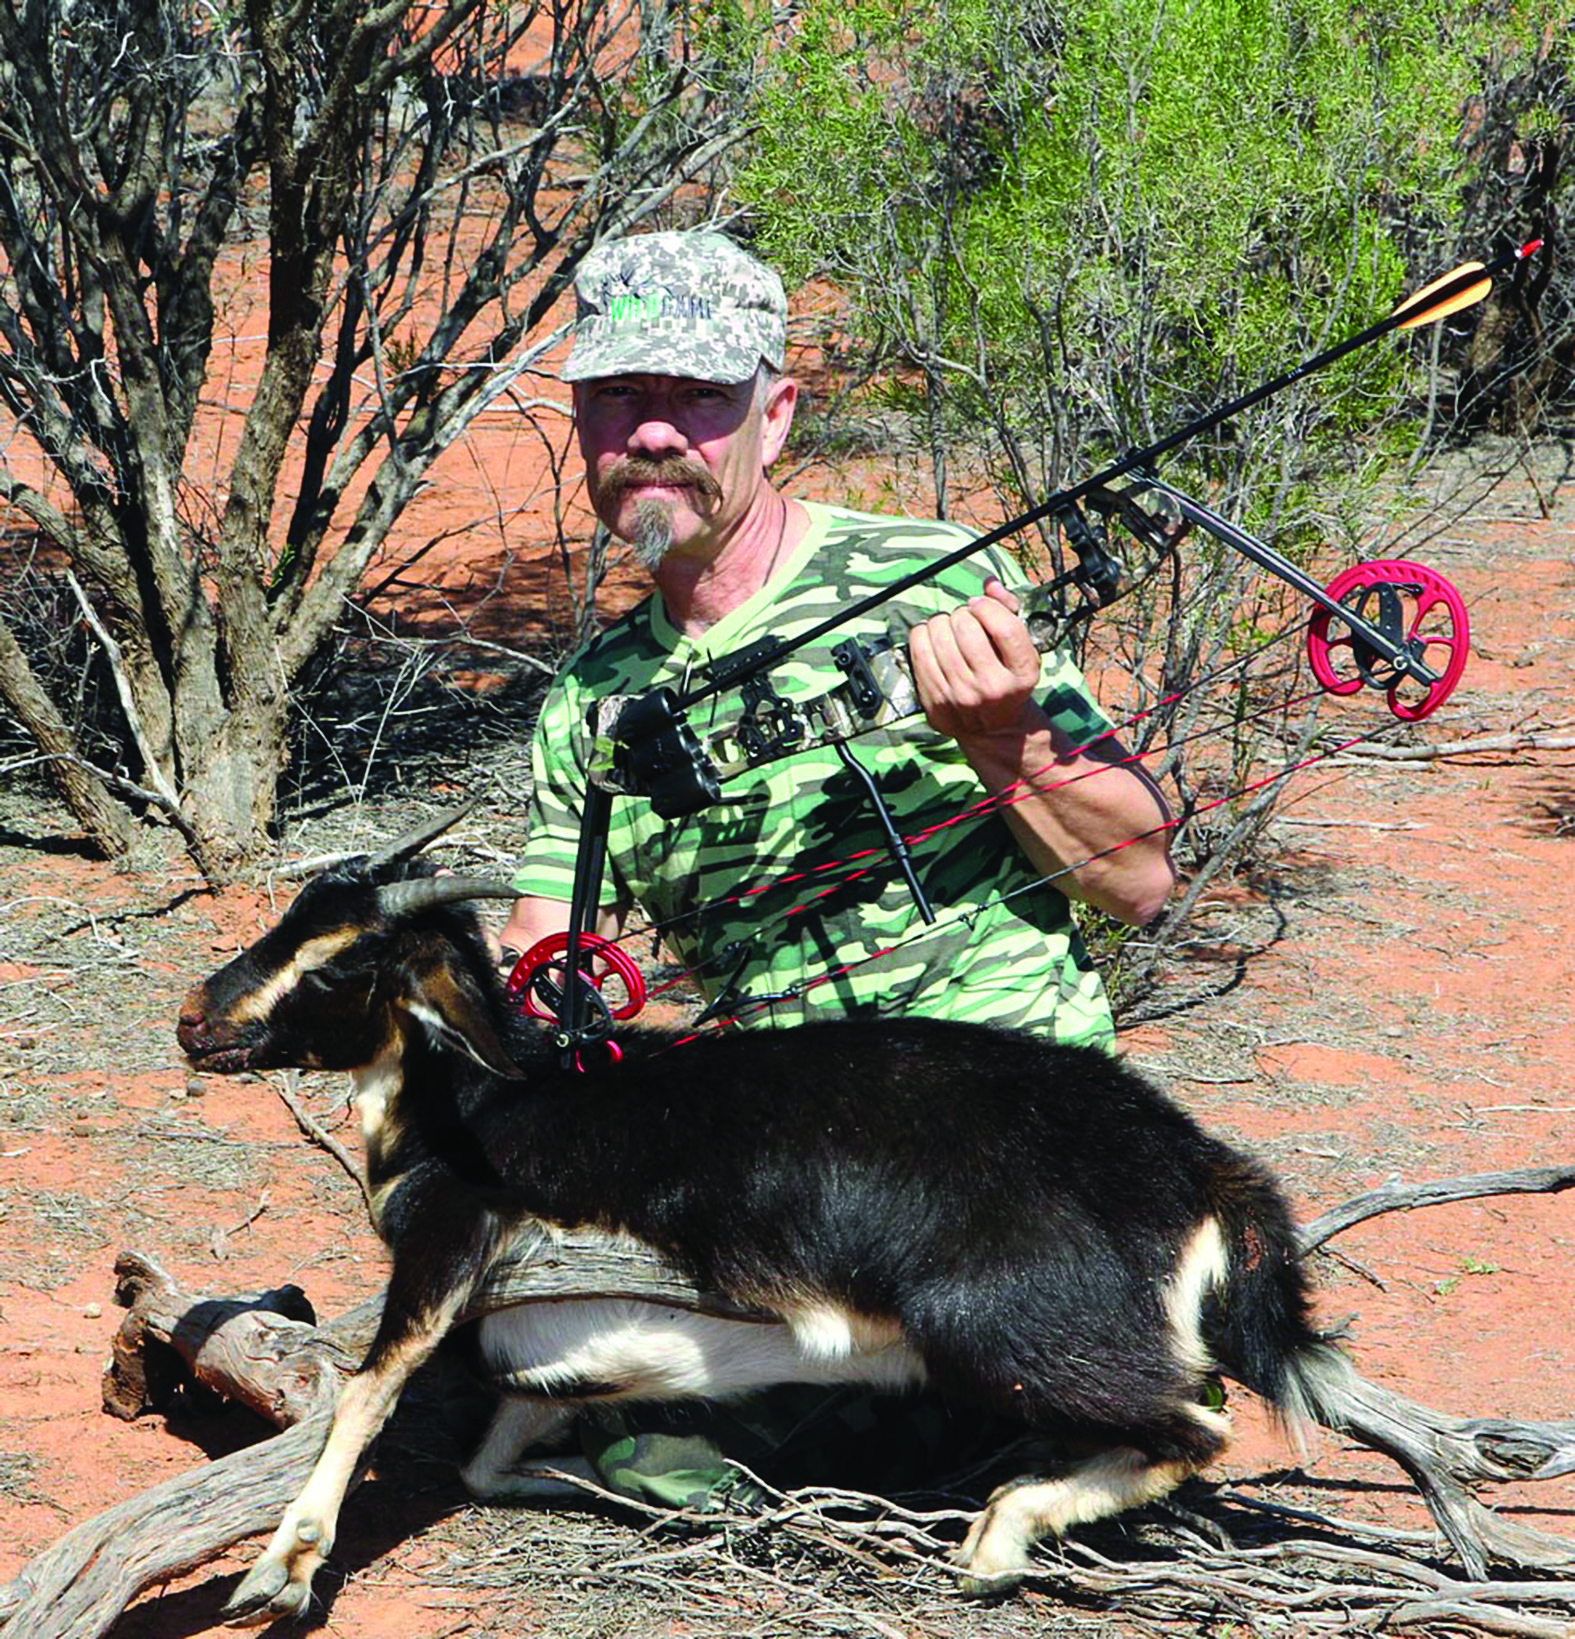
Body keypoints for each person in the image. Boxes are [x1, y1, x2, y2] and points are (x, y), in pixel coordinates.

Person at [499, 227, 1176, 1508]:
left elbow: (1136, 880)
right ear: (582, 417)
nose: (654, 435)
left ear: (777, 409)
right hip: (799, 1188)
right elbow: (549, 957)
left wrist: (1004, 739)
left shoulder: (933, 577)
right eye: (621, 397)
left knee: (937, 1413)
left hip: (1000, 1144)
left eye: (697, 398)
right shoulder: (589, 702)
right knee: (550, 1377)